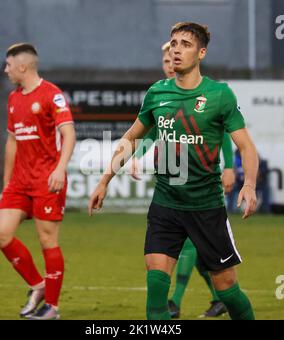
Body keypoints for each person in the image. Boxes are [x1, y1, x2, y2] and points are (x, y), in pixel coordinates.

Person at [89, 22, 258, 320]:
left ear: (201, 52)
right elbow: (131, 139)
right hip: (165, 204)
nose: (177, 49)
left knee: (227, 288)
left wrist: (250, 184)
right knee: (156, 285)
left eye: (186, 44)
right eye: (174, 43)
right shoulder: (157, 93)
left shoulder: (219, 95)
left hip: (206, 206)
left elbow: (246, 146)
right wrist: (104, 180)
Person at [131, 42, 235, 318]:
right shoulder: (161, 95)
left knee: (193, 247)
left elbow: (223, 132)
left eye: (172, 58)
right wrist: (139, 156)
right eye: (166, 60)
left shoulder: (208, 95)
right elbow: (151, 132)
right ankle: (214, 298)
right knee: (192, 250)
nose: (169, 63)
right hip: (171, 185)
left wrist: (229, 166)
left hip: (201, 187)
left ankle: (177, 301)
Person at [0, 43, 76, 320]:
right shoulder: (14, 99)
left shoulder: (52, 95)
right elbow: (12, 141)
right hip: (19, 182)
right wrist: (7, 182)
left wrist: (60, 169)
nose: (5, 70)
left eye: (8, 65)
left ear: (23, 66)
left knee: (47, 241)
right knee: (1, 233)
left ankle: (51, 307)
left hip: (46, 179)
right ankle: (37, 285)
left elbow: (69, 134)